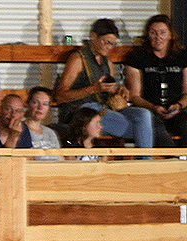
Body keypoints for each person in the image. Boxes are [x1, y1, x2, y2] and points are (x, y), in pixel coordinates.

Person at [55, 18, 154, 154]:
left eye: (112, 44)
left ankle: (145, 163)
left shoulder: (108, 63)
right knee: (141, 129)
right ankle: (145, 157)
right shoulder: (78, 59)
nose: (109, 47)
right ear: (94, 36)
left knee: (143, 115)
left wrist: (119, 92)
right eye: (106, 42)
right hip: (82, 112)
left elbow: (109, 94)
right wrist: (93, 89)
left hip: (104, 112)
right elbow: (60, 96)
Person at [125, 14, 187, 147]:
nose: (158, 37)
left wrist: (179, 105)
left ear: (170, 35)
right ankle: (174, 161)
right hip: (150, 111)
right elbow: (135, 96)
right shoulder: (138, 58)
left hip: (177, 110)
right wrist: (153, 107)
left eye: (163, 33)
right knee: (154, 129)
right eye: (153, 33)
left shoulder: (182, 57)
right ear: (148, 36)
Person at [23, 86, 62, 160]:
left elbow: (60, 159)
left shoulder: (51, 133)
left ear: (49, 109)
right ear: (28, 104)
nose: (40, 107)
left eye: (45, 104)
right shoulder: (20, 129)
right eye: (35, 103)